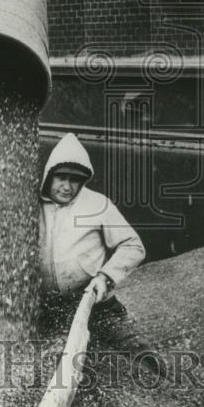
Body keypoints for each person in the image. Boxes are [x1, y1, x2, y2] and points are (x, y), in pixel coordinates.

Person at [39, 132, 164, 375]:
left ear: (84, 179)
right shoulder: (32, 204)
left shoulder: (98, 205)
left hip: (94, 300)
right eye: (60, 178)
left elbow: (133, 245)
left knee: (140, 355)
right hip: (48, 305)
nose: (66, 186)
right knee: (51, 361)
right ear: (48, 176)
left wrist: (105, 277)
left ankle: (166, 388)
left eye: (75, 179)